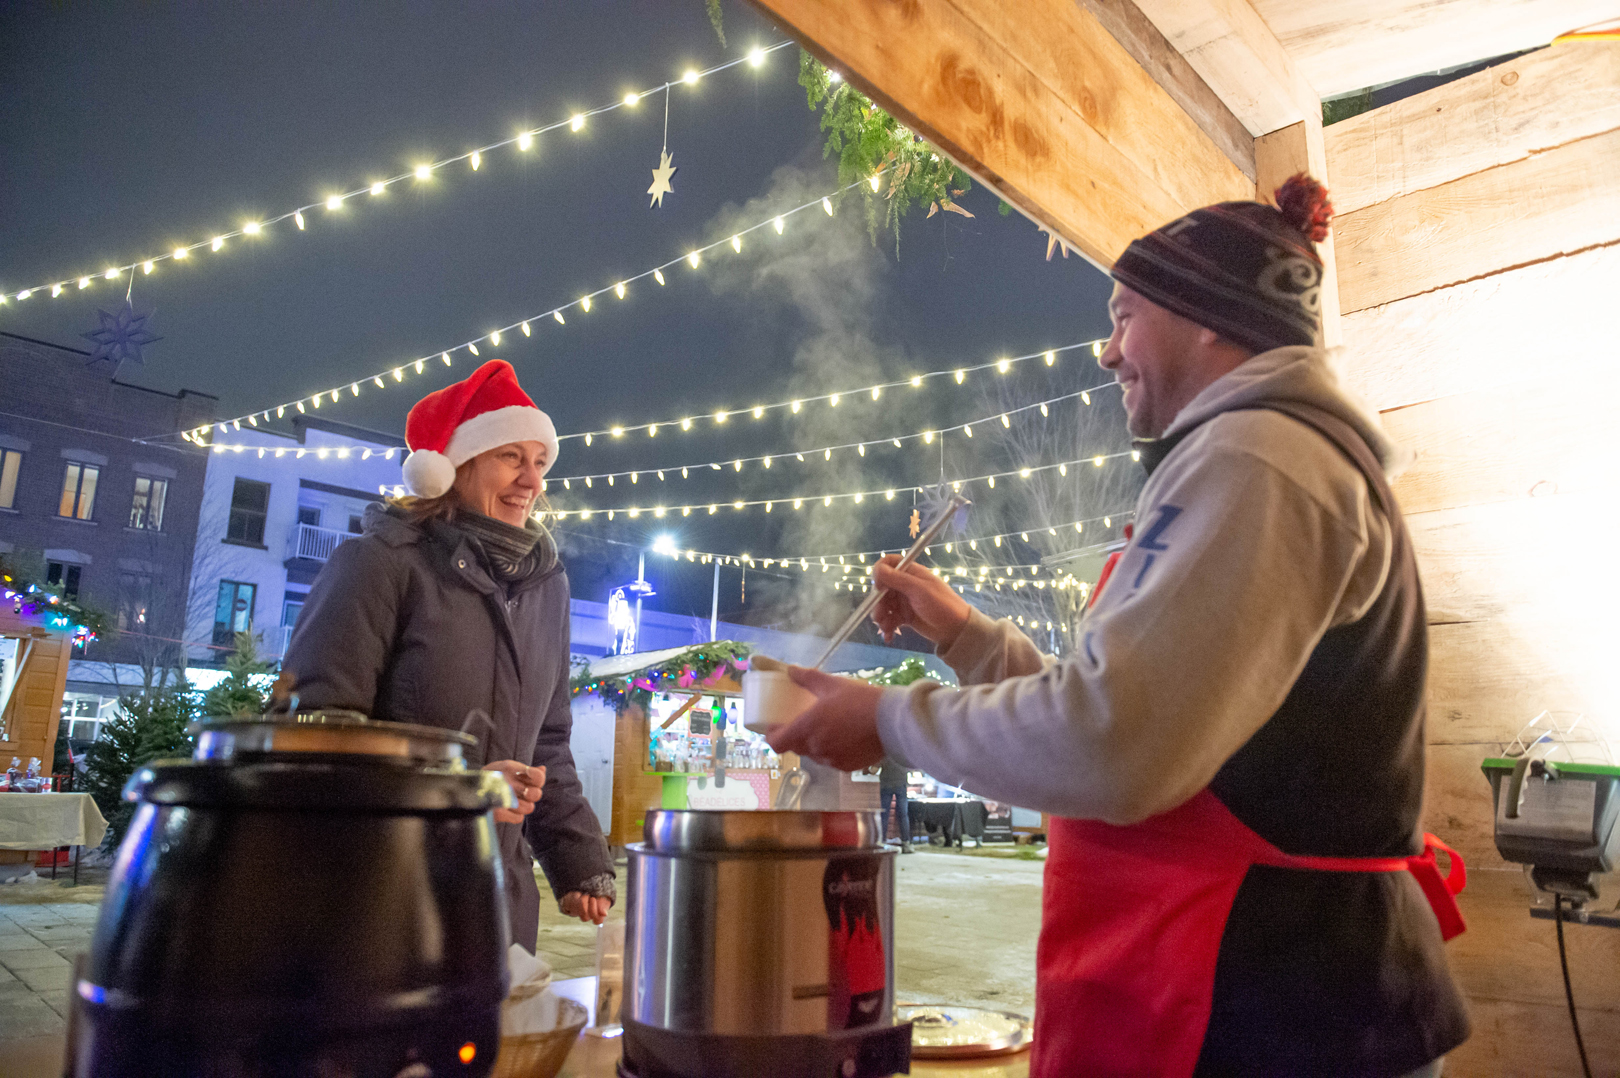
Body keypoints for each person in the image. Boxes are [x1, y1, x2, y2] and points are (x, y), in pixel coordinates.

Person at [768, 176, 1470, 1078]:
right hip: (1249, 987)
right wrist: (967, 637)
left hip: (1275, 1005)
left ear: (1209, 318)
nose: (1107, 351)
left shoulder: (1260, 457)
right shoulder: (1255, 455)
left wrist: (889, 718)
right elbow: (1129, 704)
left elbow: (1115, 742)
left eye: (1125, 314)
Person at [284, 360, 614, 953]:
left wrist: (577, 858)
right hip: (385, 891)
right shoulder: (380, 564)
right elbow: (318, 734)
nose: (530, 481)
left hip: (498, 896)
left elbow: (547, 741)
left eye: (539, 462)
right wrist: (458, 793)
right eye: (510, 458)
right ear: (454, 468)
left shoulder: (547, 586)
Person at [877, 756, 912, 853]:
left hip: (886, 784)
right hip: (901, 783)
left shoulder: (883, 751)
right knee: (903, 815)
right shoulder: (902, 750)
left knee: (884, 814)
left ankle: (882, 842)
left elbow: (874, 769)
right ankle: (906, 844)